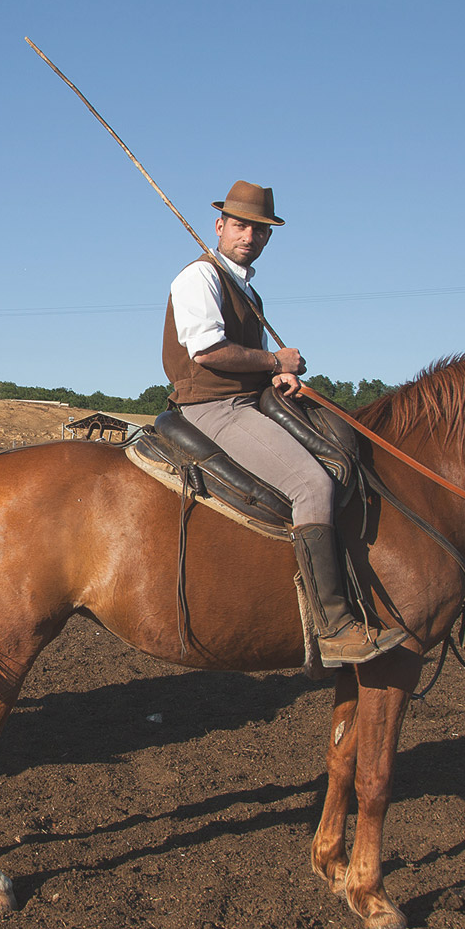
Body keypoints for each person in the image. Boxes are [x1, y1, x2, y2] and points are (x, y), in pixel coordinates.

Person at [161, 181, 406, 667]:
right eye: (240, 225)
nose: (249, 235)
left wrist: (278, 379)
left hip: (249, 400)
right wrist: (275, 360)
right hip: (212, 408)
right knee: (311, 484)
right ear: (219, 225)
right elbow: (209, 352)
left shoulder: (244, 287)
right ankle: (335, 626)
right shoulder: (199, 278)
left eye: (259, 229)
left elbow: (244, 361)